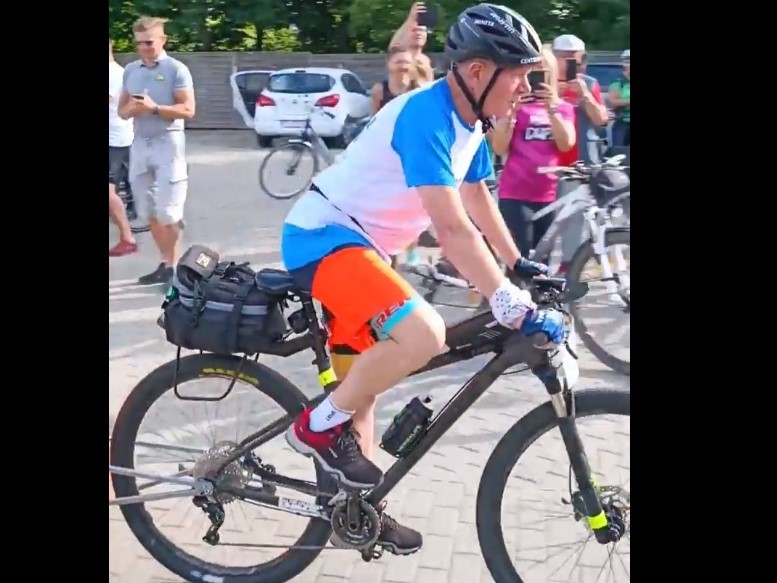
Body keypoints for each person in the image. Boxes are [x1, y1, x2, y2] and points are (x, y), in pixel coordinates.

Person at [280, 3, 565, 556]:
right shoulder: (425, 117)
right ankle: (313, 428)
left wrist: (515, 263)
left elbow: (476, 194)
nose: (528, 88)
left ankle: (353, 511)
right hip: (324, 241)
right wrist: (504, 298)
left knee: (360, 389)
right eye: (521, 75)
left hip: (364, 250)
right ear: (479, 73)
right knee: (423, 335)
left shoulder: (471, 120)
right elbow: (453, 230)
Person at [118, 16, 195, 287]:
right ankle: (166, 264)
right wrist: (133, 110)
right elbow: (122, 111)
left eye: (149, 42)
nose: (144, 48)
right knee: (148, 210)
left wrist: (154, 109)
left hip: (168, 144)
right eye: (139, 43)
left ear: (163, 40)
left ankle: (176, 268)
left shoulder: (177, 69)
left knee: (168, 213)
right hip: (140, 145)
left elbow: (188, 110)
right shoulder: (130, 70)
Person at [490, 47, 576, 260]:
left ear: (552, 74)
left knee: (542, 260)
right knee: (519, 260)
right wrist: (511, 113)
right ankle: (512, 293)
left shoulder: (563, 108)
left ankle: (536, 295)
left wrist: (552, 109)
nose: (535, 77)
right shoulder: (513, 106)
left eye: (542, 71)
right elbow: (499, 148)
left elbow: (566, 144)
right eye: (531, 71)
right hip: (515, 193)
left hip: (547, 195)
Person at [551, 34, 609, 275]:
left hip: (576, 164)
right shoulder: (542, 82)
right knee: (542, 223)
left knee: (574, 222)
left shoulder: (589, 83)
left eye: (575, 59)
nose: (571, 64)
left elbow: (602, 120)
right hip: (545, 163)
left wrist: (584, 96)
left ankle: (569, 269)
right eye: (565, 58)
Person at [109, 38, 137, 257]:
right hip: (119, 136)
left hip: (113, 138)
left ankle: (127, 238)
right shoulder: (119, 71)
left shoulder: (112, 73)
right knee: (114, 186)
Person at [609, 50, 630, 148]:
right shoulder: (618, 82)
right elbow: (613, 102)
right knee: (619, 151)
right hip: (622, 122)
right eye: (627, 61)